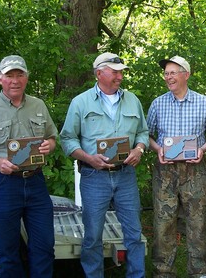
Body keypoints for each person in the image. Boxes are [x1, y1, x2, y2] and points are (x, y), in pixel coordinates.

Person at [0, 55, 58, 278]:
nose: (15, 80)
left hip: (35, 183)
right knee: (8, 252)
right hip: (3, 185)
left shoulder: (38, 105)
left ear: (26, 77)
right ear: (0, 79)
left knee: (44, 247)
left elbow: (52, 138)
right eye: (9, 75)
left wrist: (48, 146)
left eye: (19, 75)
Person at [60, 52, 149, 278]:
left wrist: (139, 149)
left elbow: (143, 132)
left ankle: (136, 275)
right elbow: (68, 139)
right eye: (115, 72)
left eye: (121, 72)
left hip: (125, 175)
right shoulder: (80, 102)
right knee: (92, 236)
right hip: (94, 176)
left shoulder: (132, 100)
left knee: (134, 233)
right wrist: (88, 158)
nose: (120, 76)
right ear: (99, 73)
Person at [147, 55, 206, 278]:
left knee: (198, 223)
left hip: (195, 170)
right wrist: (158, 149)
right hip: (165, 172)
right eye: (166, 73)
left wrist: (202, 150)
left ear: (186, 74)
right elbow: (145, 135)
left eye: (173, 72)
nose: (168, 77)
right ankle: (163, 272)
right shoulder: (158, 103)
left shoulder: (203, 102)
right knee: (163, 224)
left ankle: (200, 272)